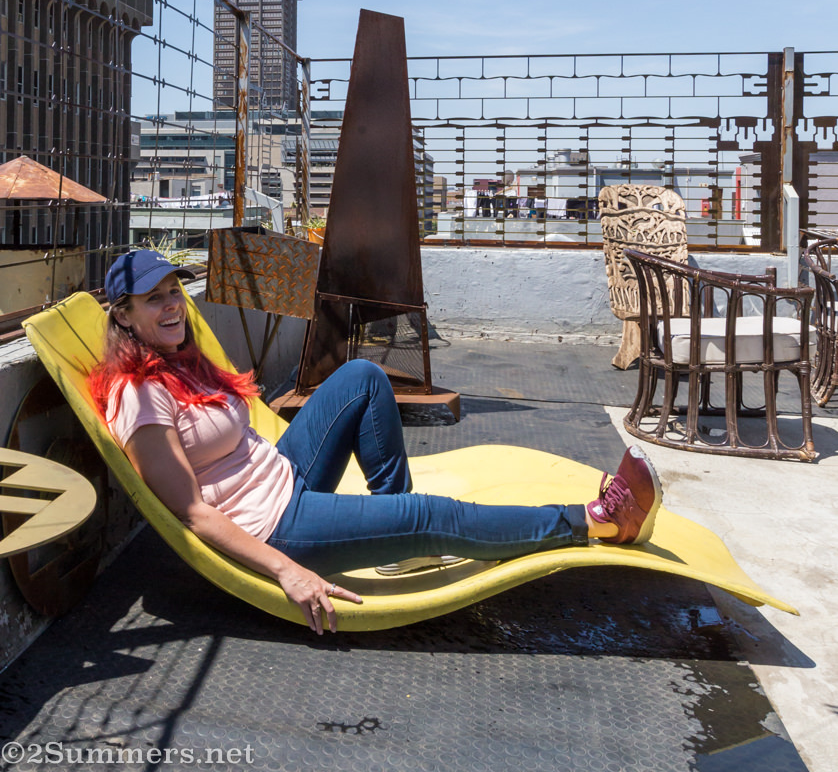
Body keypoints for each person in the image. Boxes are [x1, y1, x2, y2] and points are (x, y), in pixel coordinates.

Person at [89, 250, 664, 636]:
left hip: (282, 475)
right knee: (433, 514)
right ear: (124, 316)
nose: (173, 305)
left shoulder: (179, 361)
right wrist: (286, 570)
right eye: (153, 299)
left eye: (174, 291)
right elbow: (191, 513)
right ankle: (594, 521)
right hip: (273, 526)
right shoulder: (140, 396)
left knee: (362, 377)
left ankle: (400, 533)